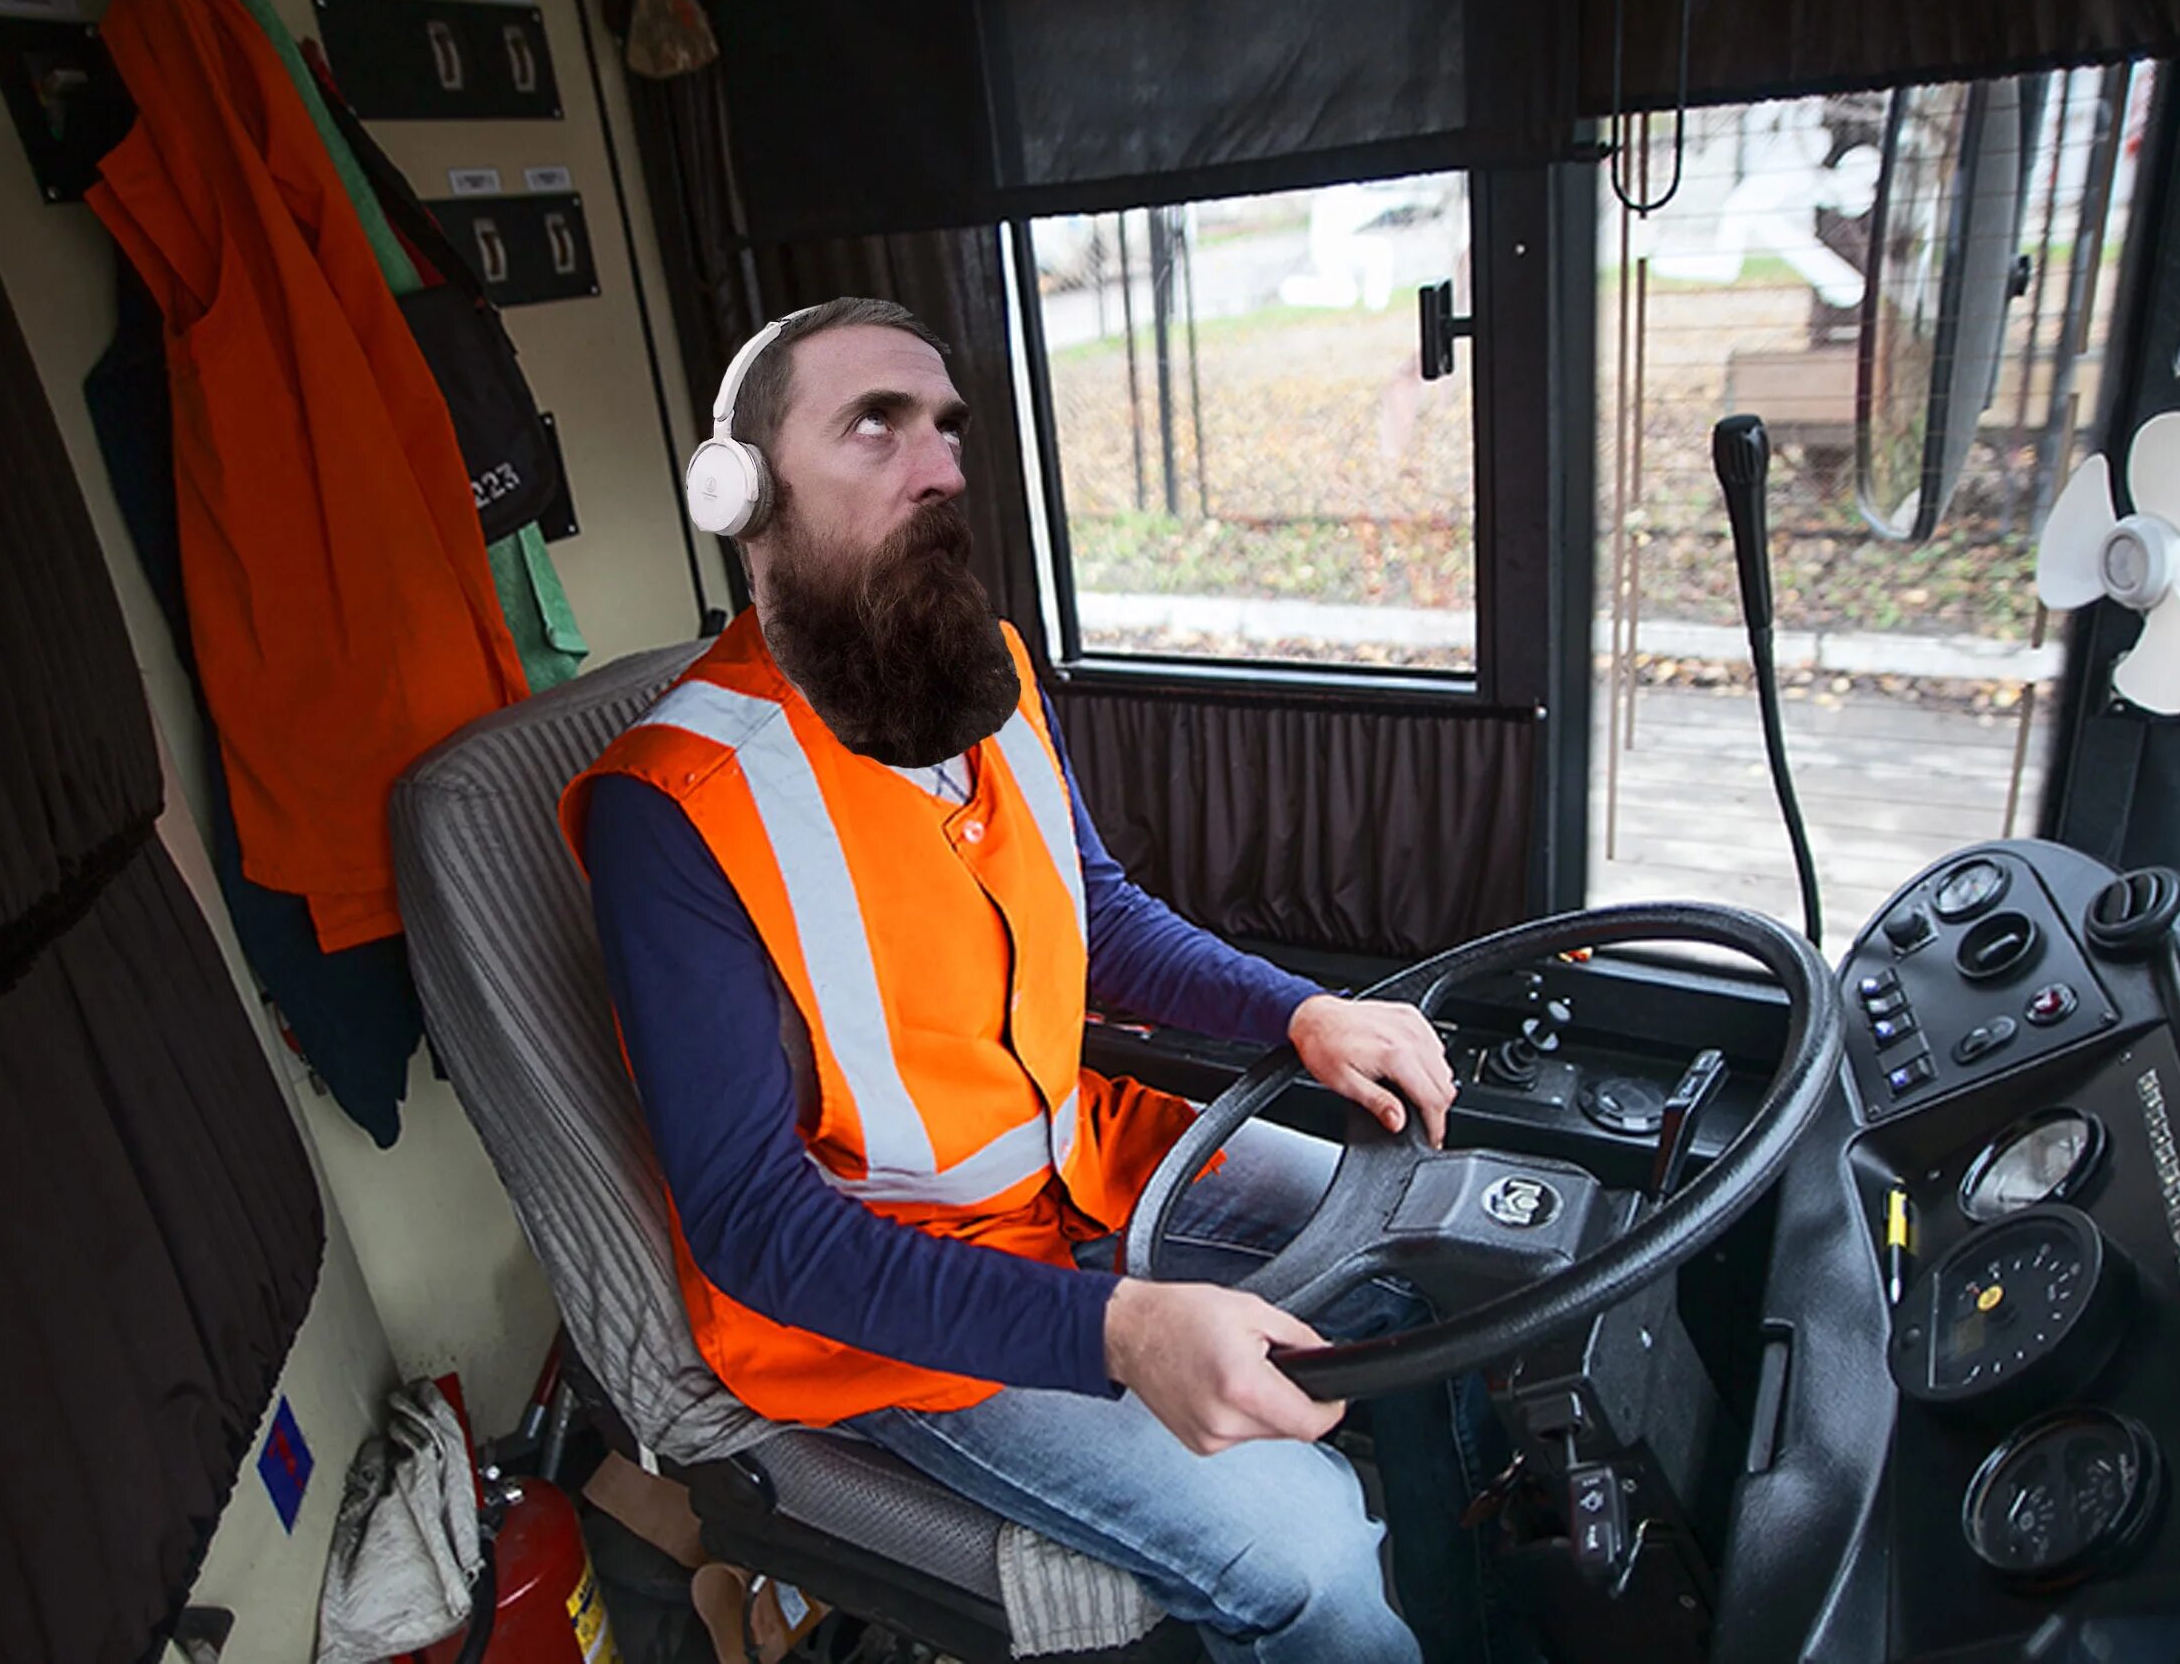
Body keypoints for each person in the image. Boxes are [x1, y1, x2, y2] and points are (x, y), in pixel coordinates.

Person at [562, 298, 1531, 1663]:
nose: (943, 464)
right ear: (744, 491)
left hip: (1090, 1167)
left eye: (946, 427)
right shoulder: (674, 808)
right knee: (1314, 1564)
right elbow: (754, 1225)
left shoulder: (990, 674)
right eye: (874, 425)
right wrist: (1119, 1329)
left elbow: (1103, 915)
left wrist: (1297, 1012)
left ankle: (1483, 1623)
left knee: (1453, 1250)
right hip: (901, 1307)